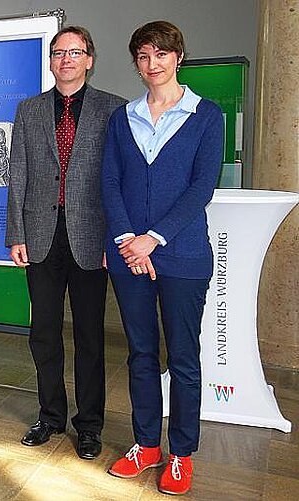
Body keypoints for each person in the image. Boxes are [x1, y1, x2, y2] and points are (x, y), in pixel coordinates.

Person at [102, 21, 222, 496]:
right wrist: (128, 240)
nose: (152, 65)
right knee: (141, 353)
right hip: (130, 255)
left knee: (184, 357)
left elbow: (201, 188)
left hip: (184, 254)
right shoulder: (123, 117)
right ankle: (146, 445)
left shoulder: (206, 115)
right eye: (144, 56)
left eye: (161, 55)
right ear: (137, 63)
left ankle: (181, 454)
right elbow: (110, 182)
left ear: (178, 57)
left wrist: (153, 238)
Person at [5, 26, 126, 461]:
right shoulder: (29, 110)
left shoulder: (115, 110)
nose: (66, 59)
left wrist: (117, 239)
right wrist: (15, 234)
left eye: (75, 52)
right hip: (40, 235)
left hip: (92, 237)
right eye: (58, 53)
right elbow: (17, 175)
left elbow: (121, 181)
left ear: (90, 59)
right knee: (43, 333)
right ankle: (51, 415)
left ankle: (89, 425)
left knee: (91, 337)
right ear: (51, 61)